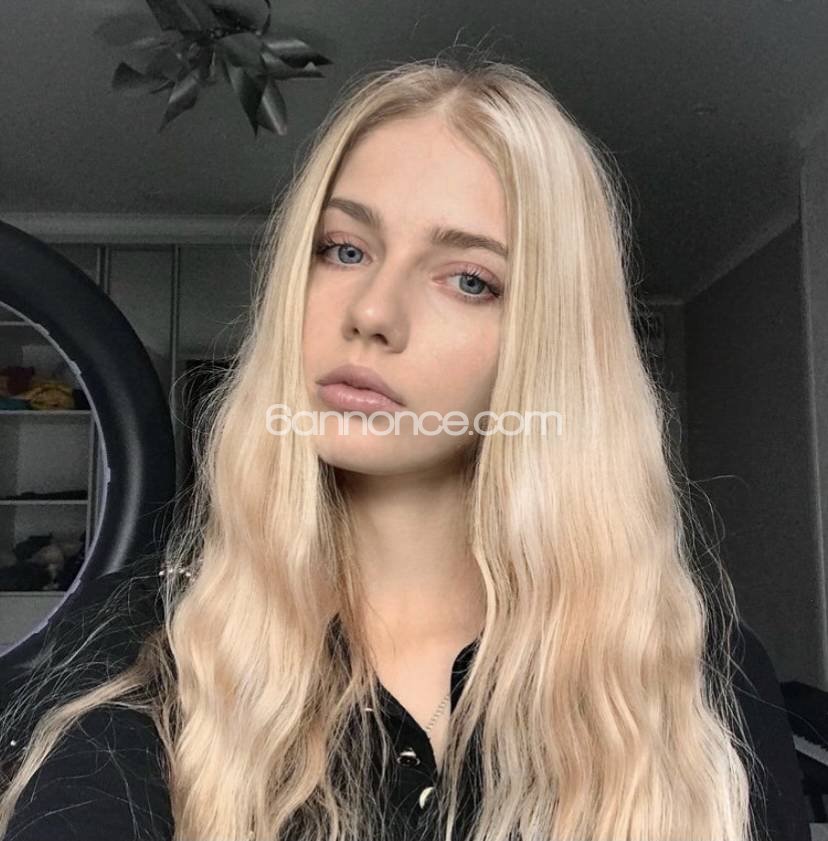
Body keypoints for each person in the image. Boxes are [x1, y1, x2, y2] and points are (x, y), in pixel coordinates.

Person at [0, 53, 811, 841]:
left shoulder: (695, 677)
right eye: (344, 249)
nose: (372, 311)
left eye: (469, 279)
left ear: (550, 347)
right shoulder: (144, 643)